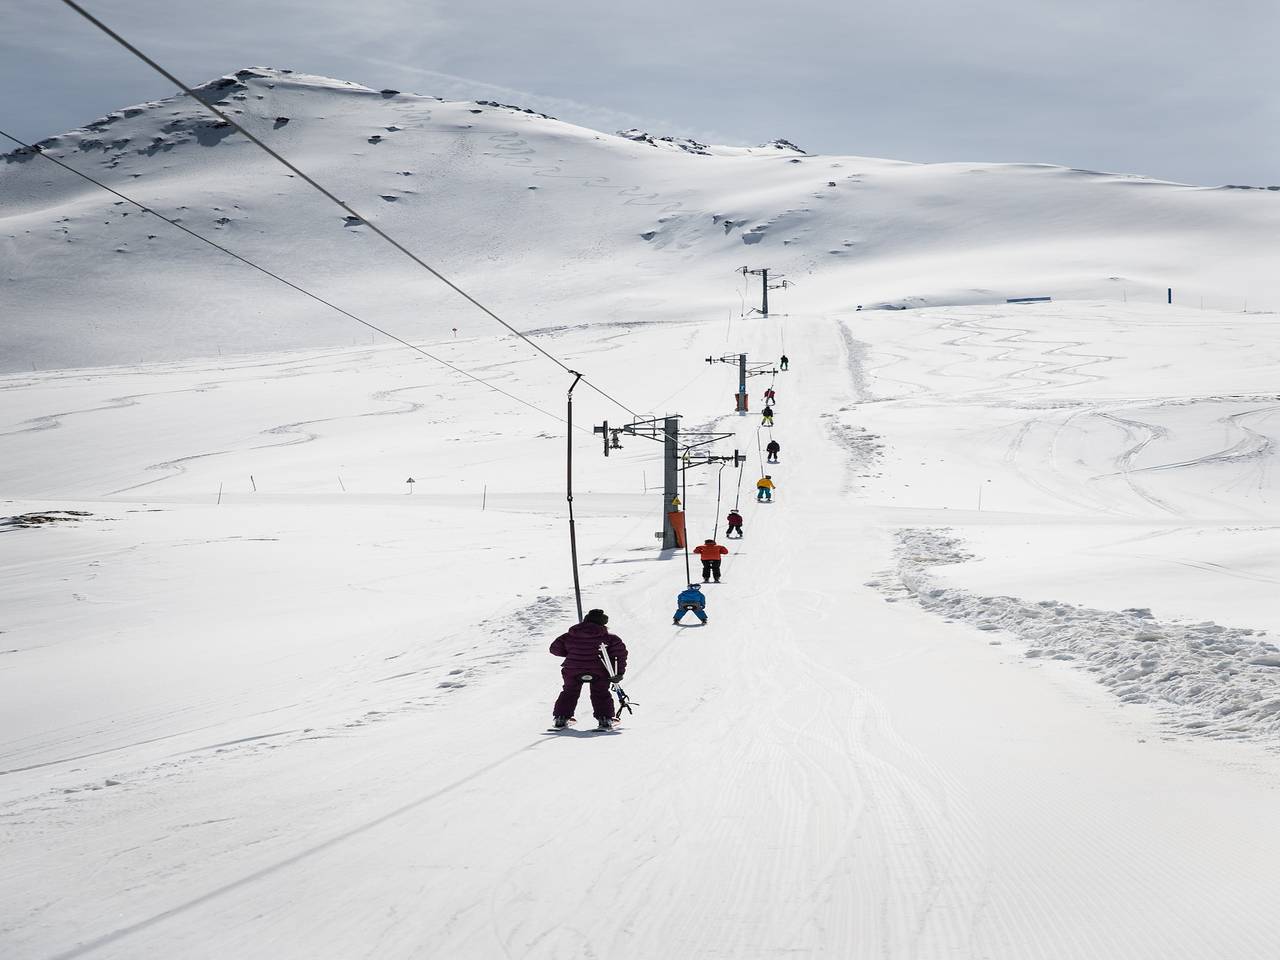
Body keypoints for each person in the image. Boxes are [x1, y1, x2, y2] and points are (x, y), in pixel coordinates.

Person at [550, 608, 627, 730]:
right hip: (599, 670)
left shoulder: (569, 635)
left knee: (569, 692)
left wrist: (572, 653)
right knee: (600, 693)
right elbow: (619, 656)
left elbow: (554, 649)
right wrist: (619, 673)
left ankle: (561, 718)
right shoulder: (610, 638)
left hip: (572, 669)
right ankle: (605, 720)